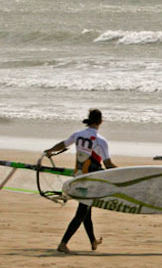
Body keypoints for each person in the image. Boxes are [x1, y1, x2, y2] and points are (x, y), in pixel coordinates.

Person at [44, 108, 118, 253]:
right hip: (91, 179)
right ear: (101, 121)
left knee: (86, 211)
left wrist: (50, 151)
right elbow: (108, 164)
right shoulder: (101, 141)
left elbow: (63, 144)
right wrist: (123, 173)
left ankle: (93, 241)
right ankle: (63, 244)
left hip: (79, 176)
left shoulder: (78, 134)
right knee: (82, 212)